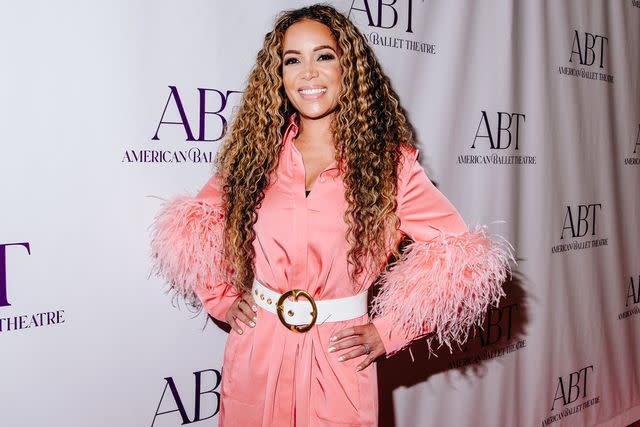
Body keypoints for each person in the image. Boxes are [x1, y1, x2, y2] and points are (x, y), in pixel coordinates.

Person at [150, 4, 513, 426]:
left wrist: (391, 330)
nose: (308, 73)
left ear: (349, 67)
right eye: (292, 60)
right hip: (257, 352)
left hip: (339, 355)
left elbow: (461, 259)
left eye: (324, 56)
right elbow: (192, 227)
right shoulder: (255, 157)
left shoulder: (390, 166)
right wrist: (223, 299)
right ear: (278, 76)